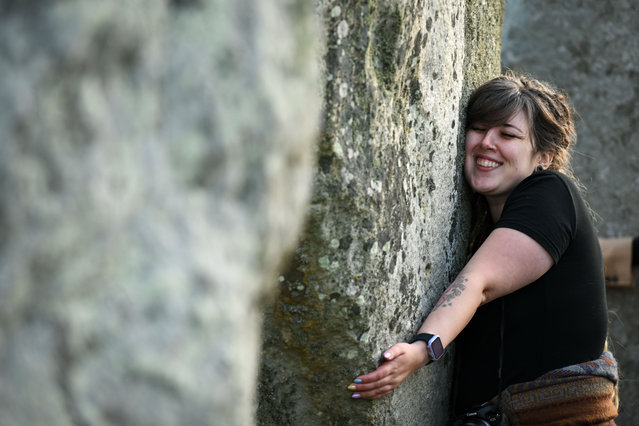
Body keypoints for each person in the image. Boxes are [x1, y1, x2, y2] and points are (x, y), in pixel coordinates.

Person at [347, 72, 618, 424]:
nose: (487, 142)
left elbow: (479, 282)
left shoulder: (550, 192)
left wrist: (422, 348)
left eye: (507, 134)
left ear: (544, 157)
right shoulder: (486, 224)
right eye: (478, 128)